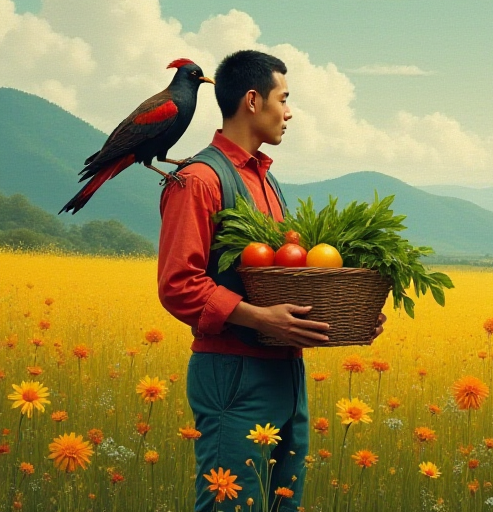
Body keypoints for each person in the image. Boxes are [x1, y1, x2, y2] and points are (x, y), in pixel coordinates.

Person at [157, 49, 385, 512]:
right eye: (284, 98)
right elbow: (178, 284)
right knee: (231, 505)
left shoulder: (267, 180)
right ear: (253, 101)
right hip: (232, 373)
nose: (290, 111)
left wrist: (345, 315)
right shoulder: (199, 179)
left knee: (282, 504)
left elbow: (281, 279)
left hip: (286, 373)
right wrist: (260, 318)